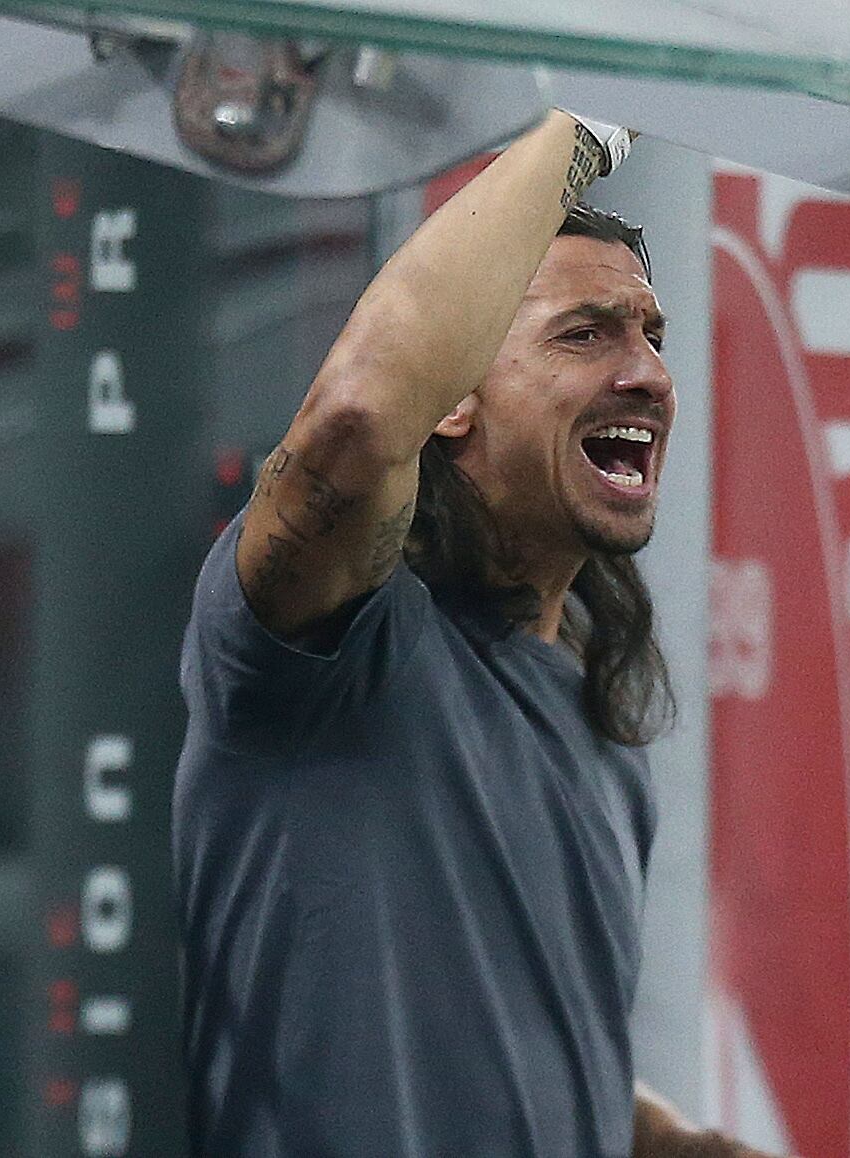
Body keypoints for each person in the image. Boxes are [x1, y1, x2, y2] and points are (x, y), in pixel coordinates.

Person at [173, 110, 777, 1156]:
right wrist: (593, 115)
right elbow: (360, 415)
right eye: (585, 333)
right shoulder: (326, 649)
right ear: (451, 398)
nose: (649, 374)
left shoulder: (596, 727)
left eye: (651, 335)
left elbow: (502, 1047)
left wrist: (668, 1144)